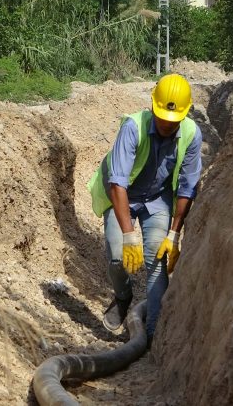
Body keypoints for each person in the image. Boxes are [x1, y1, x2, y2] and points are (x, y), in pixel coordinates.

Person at [87, 73, 202, 345]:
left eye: (173, 120)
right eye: (162, 116)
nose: (166, 124)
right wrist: (129, 235)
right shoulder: (133, 127)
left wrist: (174, 235)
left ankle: (152, 336)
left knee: (156, 260)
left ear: (184, 115)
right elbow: (117, 182)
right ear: (152, 106)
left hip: (157, 199)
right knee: (117, 256)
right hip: (122, 195)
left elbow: (187, 187)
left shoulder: (191, 134)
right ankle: (123, 298)